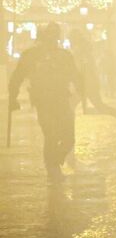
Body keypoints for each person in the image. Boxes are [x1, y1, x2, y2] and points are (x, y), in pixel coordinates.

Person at [8, 23, 84, 182]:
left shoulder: (64, 55)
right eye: (49, 36)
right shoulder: (30, 56)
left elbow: (75, 76)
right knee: (51, 134)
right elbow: (17, 77)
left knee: (68, 138)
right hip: (43, 100)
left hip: (62, 99)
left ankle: (54, 162)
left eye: (54, 36)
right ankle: (53, 168)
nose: (52, 40)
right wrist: (13, 96)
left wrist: (82, 92)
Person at [69, 26, 116, 131]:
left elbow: (83, 68)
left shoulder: (81, 53)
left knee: (97, 106)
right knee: (76, 106)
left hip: (87, 84)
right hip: (85, 83)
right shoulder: (83, 52)